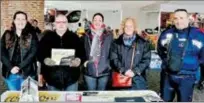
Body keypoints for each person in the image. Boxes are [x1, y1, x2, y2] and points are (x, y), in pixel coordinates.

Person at [157, 9, 204, 102]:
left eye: (181, 18)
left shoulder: (198, 35)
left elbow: (203, 56)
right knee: (164, 100)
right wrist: (167, 62)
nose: (178, 21)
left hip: (187, 78)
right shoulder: (166, 34)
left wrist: (192, 64)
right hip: (168, 76)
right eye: (176, 18)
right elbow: (160, 50)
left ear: (188, 19)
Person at [37, 14, 85, 91]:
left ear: (67, 24)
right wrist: (45, 60)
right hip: (52, 78)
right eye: (58, 22)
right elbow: (39, 54)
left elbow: (82, 54)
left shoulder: (75, 37)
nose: (61, 24)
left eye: (64, 22)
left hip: (71, 79)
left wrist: (78, 60)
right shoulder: (46, 38)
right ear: (55, 24)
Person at [110, 17, 151, 90]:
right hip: (121, 79)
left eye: (131, 26)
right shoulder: (116, 43)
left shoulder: (143, 43)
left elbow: (146, 60)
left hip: (138, 79)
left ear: (134, 27)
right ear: (123, 27)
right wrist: (124, 70)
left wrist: (135, 71)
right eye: (126, 26)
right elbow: (114, 59)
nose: (128, 28)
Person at [1, 11, 38, 90]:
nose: (20, 21)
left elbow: (32, 54)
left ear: (26, 21)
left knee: (27, 98)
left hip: (28, 73)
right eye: (18, 19)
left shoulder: (32, 35)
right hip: (10, 73)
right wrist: (11, 67)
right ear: (14, 21)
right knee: (13, 97)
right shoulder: (7, 34)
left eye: (23, 19)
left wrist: (19, 67)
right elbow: (1, 52)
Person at [82, 13, 113, 90]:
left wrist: (108, 64)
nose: (97, 22)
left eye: (100, 20)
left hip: (104, 71)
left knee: (101, 96)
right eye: (95, 20)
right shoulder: (86, 36)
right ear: (92, 21)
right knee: (91, 95)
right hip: (89, 71)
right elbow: (81, 51)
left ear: (102, 22)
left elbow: (112, 52)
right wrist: (84, 61)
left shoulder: (109, 36)